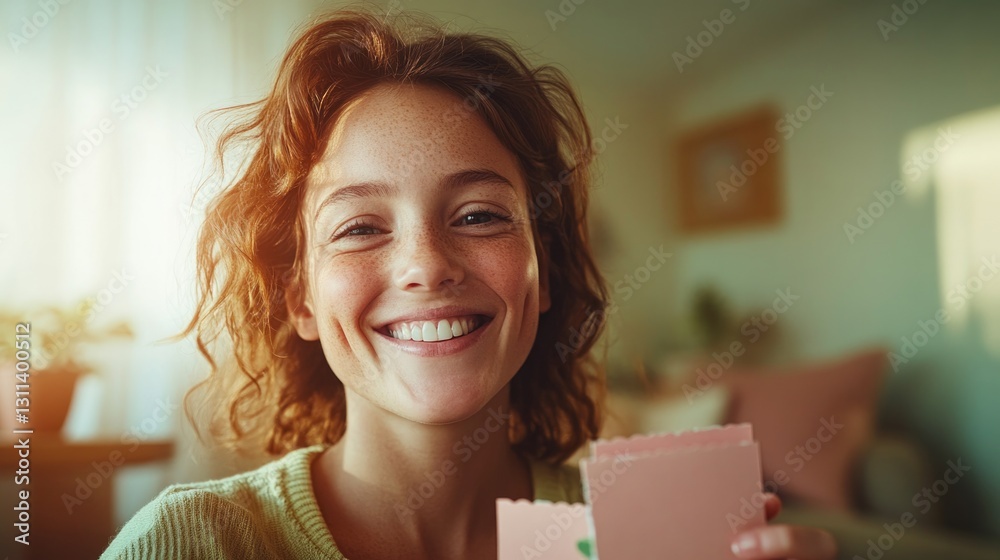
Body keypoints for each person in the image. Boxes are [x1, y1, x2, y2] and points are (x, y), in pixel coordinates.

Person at [102, 9, 836, 560]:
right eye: (359, 227)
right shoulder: (188, 541)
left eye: (480, 215)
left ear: (542, 273)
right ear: (301, 299)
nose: (426, 265)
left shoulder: (652, 539)